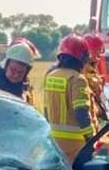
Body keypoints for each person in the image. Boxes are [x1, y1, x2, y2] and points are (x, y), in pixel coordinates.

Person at [42, 33, 97, 162]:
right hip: (75, 144)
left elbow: (46, 110)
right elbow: (81, 112)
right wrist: (91, 138)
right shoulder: (77, 79)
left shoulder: (51, 76)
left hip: (54, 142)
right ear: (82, 58)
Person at [0, 39, 36, 104]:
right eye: (13, 70)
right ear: (6, 65)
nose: (16, 75)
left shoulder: (25, 86)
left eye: (20, 72)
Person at [81, 33, 109, 123]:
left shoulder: (90, 65)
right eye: (98, 51)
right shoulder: (85, 67)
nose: (99, 54)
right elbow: (95, 88)